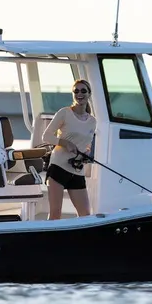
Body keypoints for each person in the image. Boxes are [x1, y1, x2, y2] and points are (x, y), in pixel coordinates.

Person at [41, 79, 97, 219]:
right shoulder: (64, 113)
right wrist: (64, 143)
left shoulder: (92, 121)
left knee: (85, 215)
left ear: (89, 94)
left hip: (77, 170)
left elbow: (87, 145)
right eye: (76, 91)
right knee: (55, 214)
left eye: (83, 91)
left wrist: (86, 153)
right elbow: (46, 136)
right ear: (72, 94)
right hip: (58, 167)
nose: (79, 94)